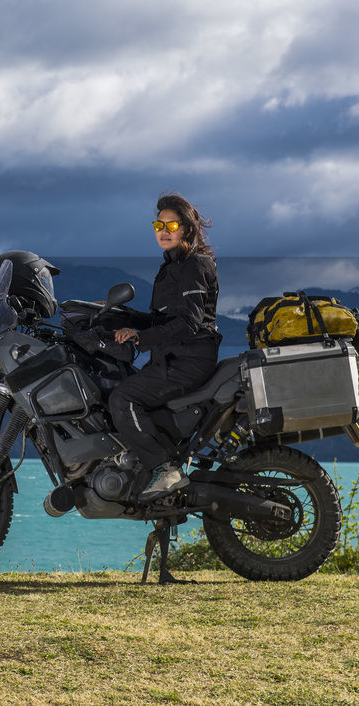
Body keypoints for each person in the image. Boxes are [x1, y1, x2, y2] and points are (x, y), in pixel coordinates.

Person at [108, 194, 222, 501]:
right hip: (173, 358)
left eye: (171, 223)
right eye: (159, 224)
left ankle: (165, 470)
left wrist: (139, 338)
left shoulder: (194, 264)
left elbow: (188, 323)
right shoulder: (173, 265)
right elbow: (163, 319)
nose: (164, 229)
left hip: (188, 361)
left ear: (186, 228)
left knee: (123, 399)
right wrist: (119, 316)